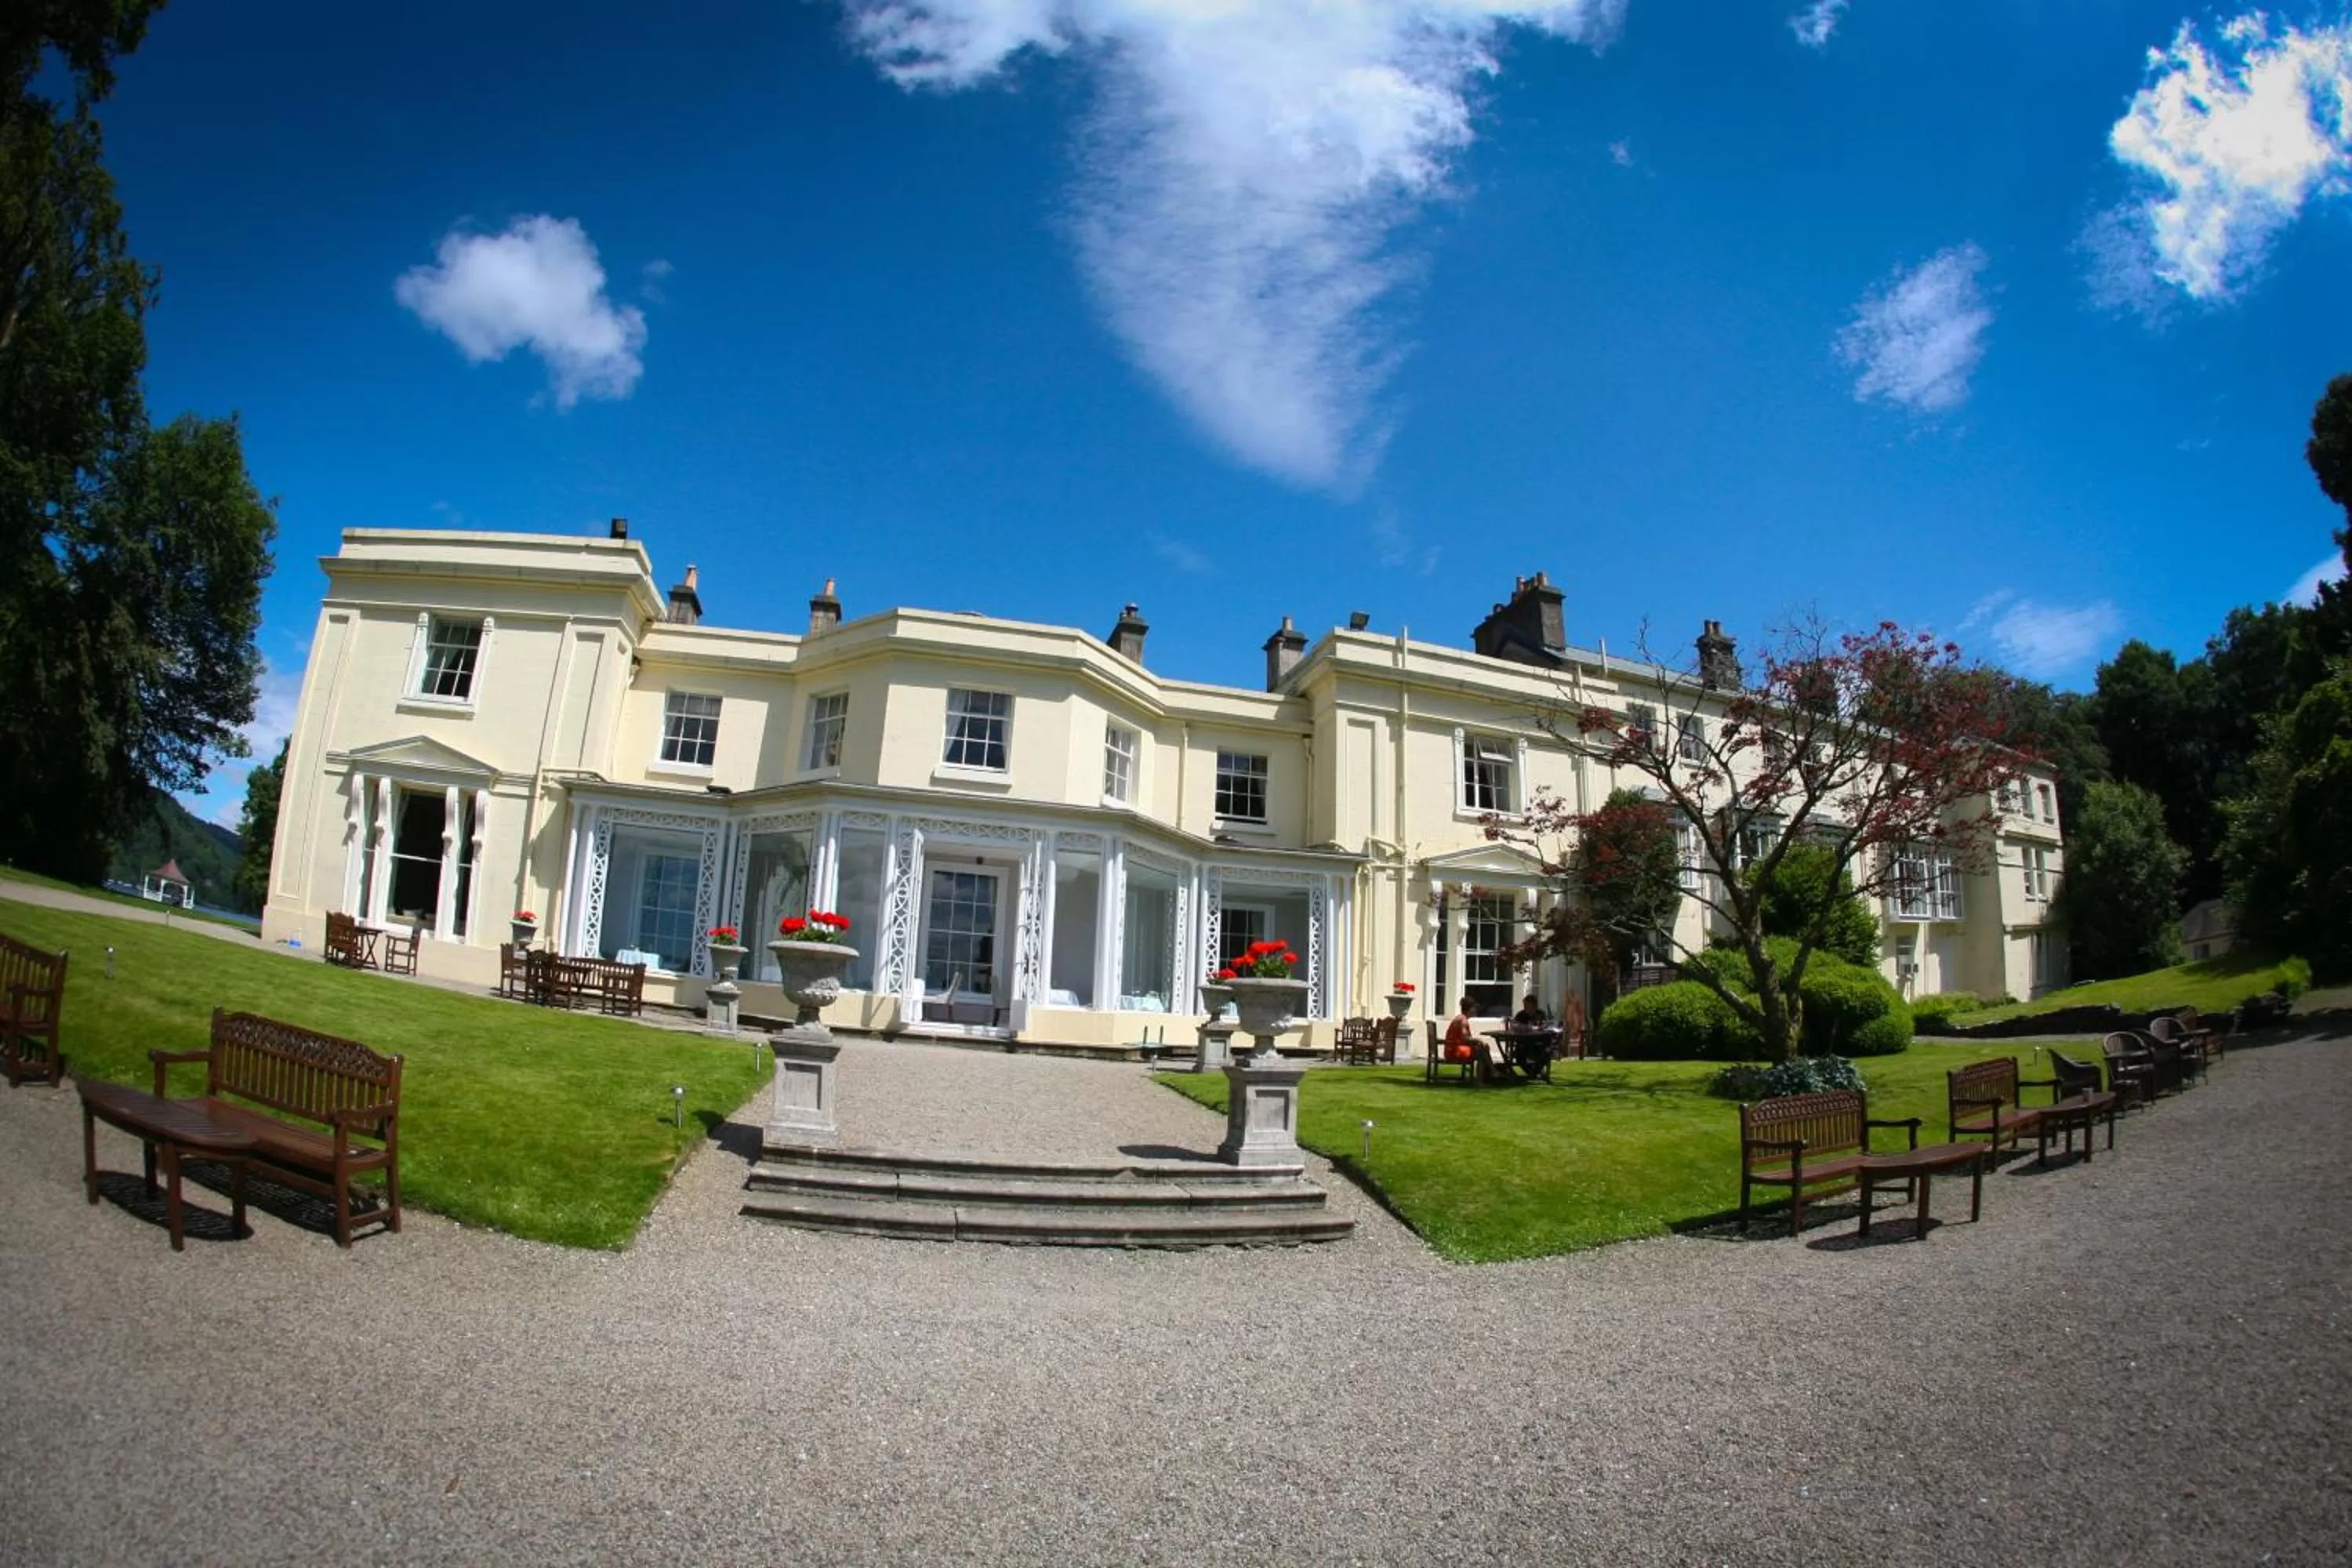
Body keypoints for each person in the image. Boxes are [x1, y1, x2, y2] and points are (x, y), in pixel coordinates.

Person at [1441, 995, 1497, 1080]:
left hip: (1453, 1049)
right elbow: (1465, 1038)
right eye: (1474, 1008)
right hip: (1454, 1052)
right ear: (1470, 1009)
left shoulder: (1460, 1018)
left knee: (1482, 1048)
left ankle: (1492, 1072)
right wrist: (1479, 1040)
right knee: (1481, 1052)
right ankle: (1486, 1076)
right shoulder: (1463, 1020)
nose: (1475, 1011)